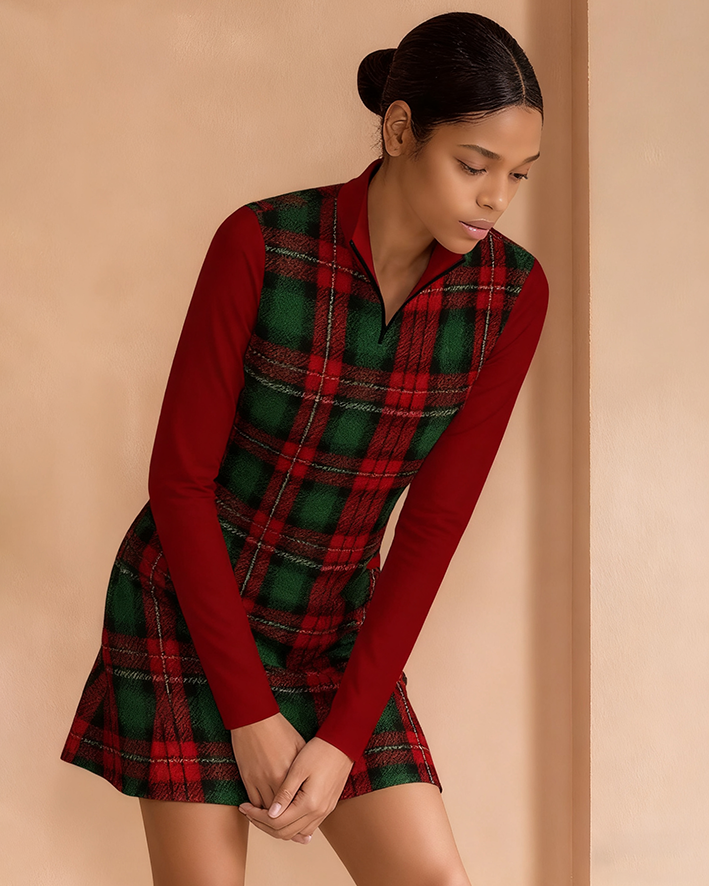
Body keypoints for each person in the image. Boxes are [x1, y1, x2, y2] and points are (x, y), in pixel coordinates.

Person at [60, 10, 548, 885]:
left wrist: (343, 738)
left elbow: (432, 525)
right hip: (189, 609)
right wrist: (249, 714)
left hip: (334, 628)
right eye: (473, 165)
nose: (495, 199)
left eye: (517, 174)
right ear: (399, 130)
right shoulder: (261, 243)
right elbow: (179, 484)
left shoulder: (511, 295)